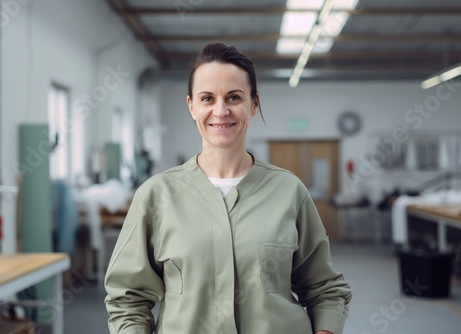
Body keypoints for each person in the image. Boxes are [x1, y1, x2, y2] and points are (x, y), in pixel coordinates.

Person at [104, 42, 352, 334]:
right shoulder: (156, 195)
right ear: (191, 106)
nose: (221, 111)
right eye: (207, 98)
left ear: (254, 104)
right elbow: (127, 299)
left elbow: (325, 288)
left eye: (234, 97)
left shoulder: (289, 191)